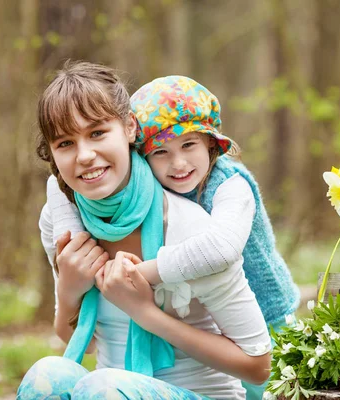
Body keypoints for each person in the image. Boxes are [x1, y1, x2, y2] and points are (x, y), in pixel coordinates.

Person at [17, 61, 271, 400]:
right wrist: (68, 290)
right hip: (107, 390)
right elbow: (84, 342)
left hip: (201, 394)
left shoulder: (191, 230)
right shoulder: (62, 220)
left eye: (97, 133)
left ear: (129, 128)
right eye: (65, 143)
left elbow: (258, 365)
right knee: (46, 376)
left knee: (102, 387)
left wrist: (145, 312)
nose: (85, 155)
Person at [128, 75, 301, 399]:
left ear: (210, 142)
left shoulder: (231, 185)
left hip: (269, 321)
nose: (178, 163)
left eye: (188, 145)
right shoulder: (156, 194)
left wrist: (140, 275)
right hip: (213, 327)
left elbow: (222, 248)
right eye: (161, 152)